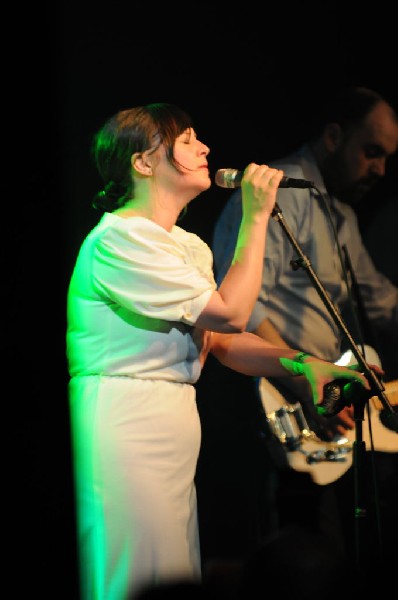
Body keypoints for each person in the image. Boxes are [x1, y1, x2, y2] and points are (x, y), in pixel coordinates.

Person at [65, 102, 371, 600]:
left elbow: (226, 342)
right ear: (143, 162)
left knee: (172, 567)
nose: (205, 147)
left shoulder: (183, 245)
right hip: (126, 420)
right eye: (186, 140)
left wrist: (305, 363)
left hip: (171, 420)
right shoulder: (119, 238)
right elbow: (231, 312)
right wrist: (256, 218)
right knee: (135, 573)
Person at [212, 87, 398, 568]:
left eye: (387, 158)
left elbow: (380, 302)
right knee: (299, 564)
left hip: (330, 411)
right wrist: (304, 380)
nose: (380, 168)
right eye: (371, 151)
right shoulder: (275, 191)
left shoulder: (343, 216)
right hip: (283, 409)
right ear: (334, 136)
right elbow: (238, 310)